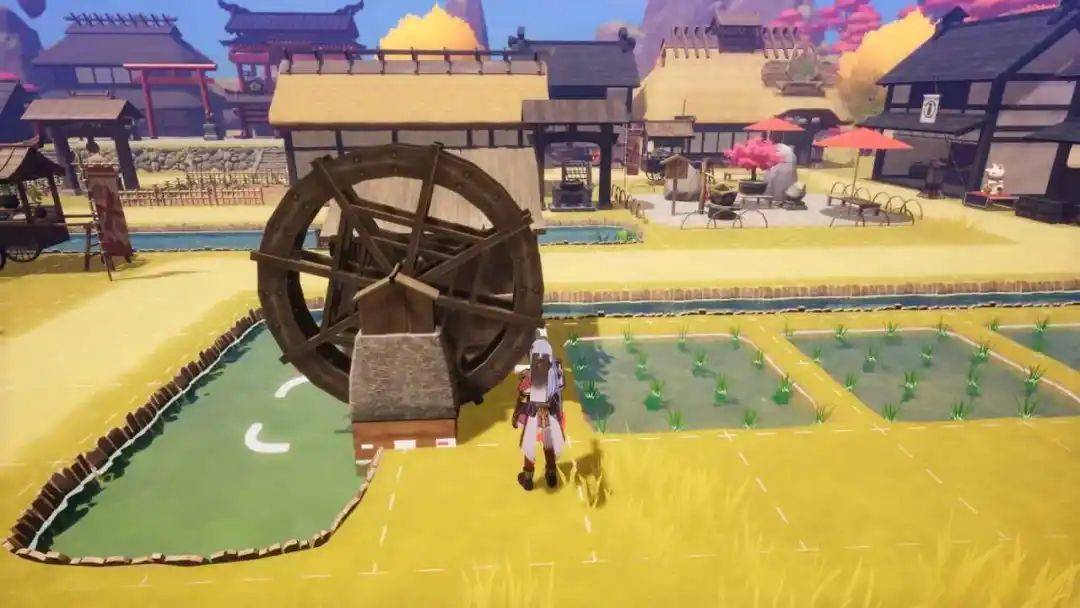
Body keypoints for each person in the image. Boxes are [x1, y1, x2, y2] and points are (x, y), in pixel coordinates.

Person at [512, 330, 566, 491]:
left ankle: (528, 477)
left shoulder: (531, 375)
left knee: (529, 443)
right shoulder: (556, 369)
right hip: (551, 412)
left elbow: (524, 393)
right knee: (549, 442)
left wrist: (517, 413)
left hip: (534, 412)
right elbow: (560, 386)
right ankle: (551, 474)